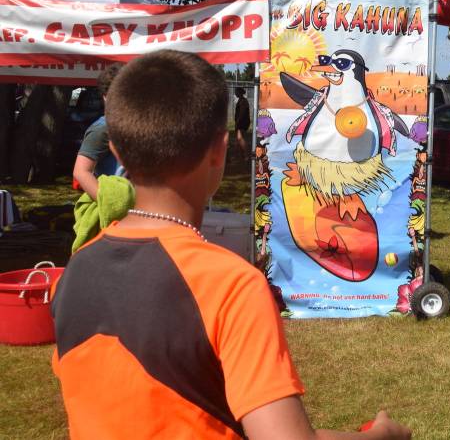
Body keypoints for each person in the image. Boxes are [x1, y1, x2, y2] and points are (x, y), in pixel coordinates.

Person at [51, 51, 410, 440]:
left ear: (117, 151)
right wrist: (381, 436)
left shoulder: (74, 274)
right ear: (219, 151)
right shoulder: (232, 285)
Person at [72, 64, 124, 200]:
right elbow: (81, 171)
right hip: (117, 210)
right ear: (105, 96)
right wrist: (108, 203)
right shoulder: (103, 128)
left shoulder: (138, 124)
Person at [234, 86, 252, 158]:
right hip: (241, 121)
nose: (235, 93)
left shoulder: (243, 101)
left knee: (239, 138)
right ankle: (241, 154)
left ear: (240, 92)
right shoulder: (240, 100)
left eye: (236, 91)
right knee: (239, 139)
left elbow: (242, 112)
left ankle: (247, 154)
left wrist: (238, 121)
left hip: (243, 122)